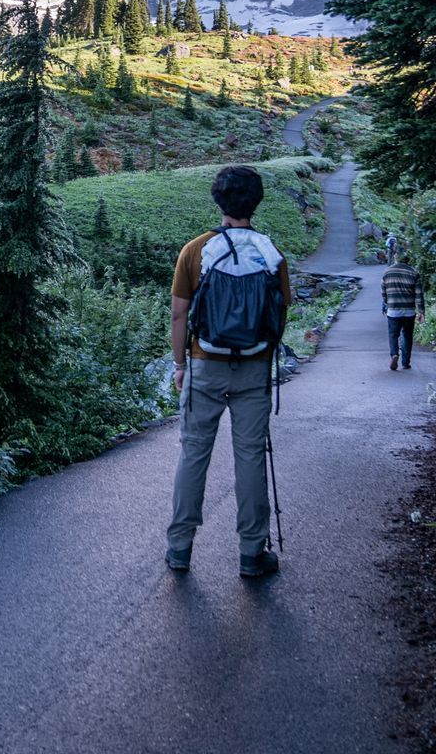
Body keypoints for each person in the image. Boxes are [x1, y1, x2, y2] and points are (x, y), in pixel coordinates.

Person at [165, 165, 291, 578]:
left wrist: (181, 364)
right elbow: (280, 314)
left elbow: (179, 315)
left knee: (194, 455)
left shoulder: (196, 250)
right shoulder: (271, 253)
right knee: (251, 458)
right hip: (253, 370)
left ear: (218, 200)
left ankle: (180, 548)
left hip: (204, 366)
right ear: (256, 201)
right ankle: (252, 553)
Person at [380, 256, 424, 371]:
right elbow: (419, 295)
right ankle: (405, 362)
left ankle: (394, 354)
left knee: (393, 334)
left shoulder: (387, 272)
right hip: (409, 311)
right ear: (408, 260)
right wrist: (421, 312)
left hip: (393, 310)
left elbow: (383, 292)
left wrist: (386, 304)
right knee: (407, 335)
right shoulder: (414, 273)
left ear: (396, 258)